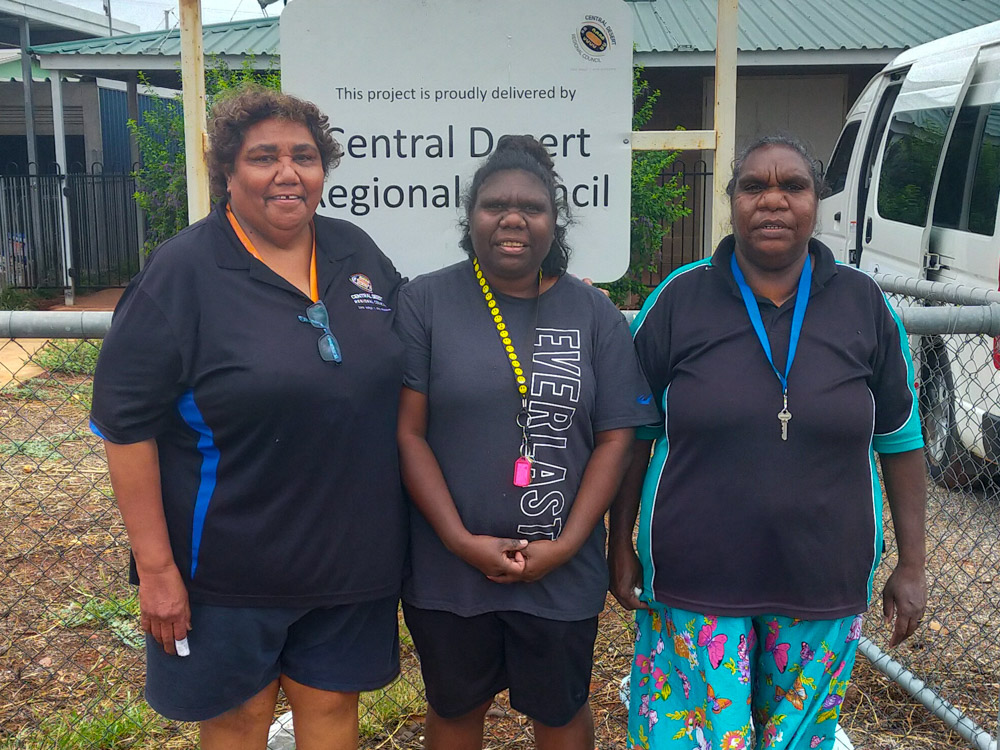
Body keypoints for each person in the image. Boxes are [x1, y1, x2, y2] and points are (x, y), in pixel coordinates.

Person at [90, 86, 406, 749]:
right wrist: (155, 569)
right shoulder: (182, 273)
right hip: (228, 571)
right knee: (237, 726)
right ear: (228, 172)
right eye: (264, 157)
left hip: (351, 560)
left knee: (332, 719)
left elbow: (425, 338)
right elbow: (126, 427)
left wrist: (544, 293)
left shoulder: (356, 254)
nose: (288, 173)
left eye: (305, 156)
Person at [609, 135, 927, 750]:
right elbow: (636, 434)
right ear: (731, 202)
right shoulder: (678, 299)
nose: (773, 200)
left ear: (817, 202)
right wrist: (619, 543)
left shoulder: (865, 304)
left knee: (800, 742)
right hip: (694, 578)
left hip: (823, 576)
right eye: (754, 186)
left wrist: (911, 564)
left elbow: (901, 438)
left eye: (793, 186)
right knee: (694, 741)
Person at [395, 135, 659, 749]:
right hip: (449, 568)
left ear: (554, 221)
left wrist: (566, 545)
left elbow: (616, 440)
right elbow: (408, 433)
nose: (513, 218)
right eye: (494, 205)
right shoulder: (425, 302)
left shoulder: (593, 312)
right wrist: (461, 542)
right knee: (456, 709)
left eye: (532, 207)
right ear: (470, 216)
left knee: (561, 712)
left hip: (560, 571)